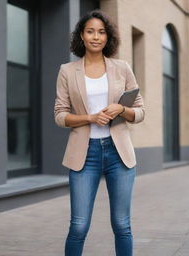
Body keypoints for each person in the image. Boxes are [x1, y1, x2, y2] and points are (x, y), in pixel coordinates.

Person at [54, 9, 145, 256]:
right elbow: (60, 115)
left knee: (122, 224)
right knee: (79, 226)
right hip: (85, 155)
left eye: (101, 32)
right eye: (90, 31)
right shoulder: (67, 71)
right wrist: (89, 118)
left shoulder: (122, 68)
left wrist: (121, 108)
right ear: (81, 36)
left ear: (108, 37)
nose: (96, 37)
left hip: (119, 154)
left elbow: (139, 112)